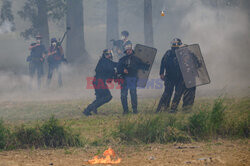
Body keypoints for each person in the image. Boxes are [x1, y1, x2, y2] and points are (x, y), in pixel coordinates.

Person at [156, 38, 199, 113]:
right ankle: (162, 108)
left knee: (178, 94)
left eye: (176, 44)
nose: (175, 45)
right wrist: (161, 73)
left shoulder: (186, 54)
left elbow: (197, 64)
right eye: (174, 44)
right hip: (169, 77)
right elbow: (163, 63)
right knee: (167, 93)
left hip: (180, 77)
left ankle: (173, 109)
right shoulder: (168, 53)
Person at [83, 49, 117, 116]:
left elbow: (115, 65)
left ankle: (88, 110)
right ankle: (90, 108)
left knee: (100, 97)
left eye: (109, 54)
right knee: (108, 96)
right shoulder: (104, 61)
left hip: (97, 81)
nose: (109, 56)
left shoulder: (105, 61)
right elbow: (111, 68)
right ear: (105, 55)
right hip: (99, 81)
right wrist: (114, 73)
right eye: (107, 54)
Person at [117, 44, 150, 114]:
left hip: (132, 78)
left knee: (133, 94)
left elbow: (144, 66)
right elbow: (118, 68)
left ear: (132, 50)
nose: (128, 51)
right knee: (123, 95)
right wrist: (123, 70)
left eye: (130, 50)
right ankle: (125, 110)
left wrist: (147, 64)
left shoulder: (137, 59)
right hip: (124, 79)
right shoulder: (122, 60)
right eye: (127, 50)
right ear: (125, 51)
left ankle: (135, 110)